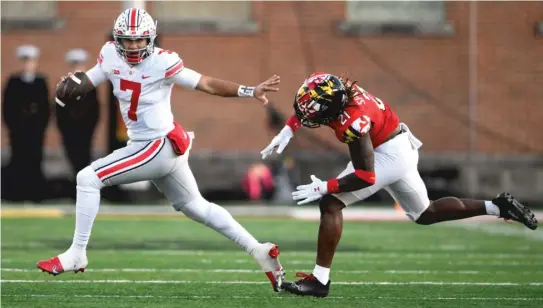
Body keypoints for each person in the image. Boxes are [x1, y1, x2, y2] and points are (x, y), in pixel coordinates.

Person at [37, 8, 285, 292]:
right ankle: (259, 251)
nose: (133, 46)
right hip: (156, 146)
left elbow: (205, 83)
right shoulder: (109, 54)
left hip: (157, 145)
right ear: (118, 39)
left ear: (150, 39)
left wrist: (248, 90)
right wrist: (74, 85)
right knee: (195, 207)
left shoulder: (163, 62)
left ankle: (77, 253)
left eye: (139, 41)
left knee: (88, 178)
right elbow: (91, 78)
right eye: (127, 40)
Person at [260, 72, 538, 297]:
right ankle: (497, 206)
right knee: (424, 213)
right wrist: (288, 128)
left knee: (331, 203)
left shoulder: (354, 124)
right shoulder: (335, 86)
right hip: (397, 144)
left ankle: (320, 281)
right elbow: (314, 102)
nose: (308, 114)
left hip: (387, 155)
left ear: (334, 109)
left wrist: (325, 187)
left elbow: (365, 176)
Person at [2, 45, 50, 202]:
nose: (28, 65)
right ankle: (17, 194)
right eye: (25, 61)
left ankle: (35, 194)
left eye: (31, 61)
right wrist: (13, 126)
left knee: (35, 159)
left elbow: (45, 107)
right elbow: (7, 107)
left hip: (35, 130)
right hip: (18, 129)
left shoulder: (41, 81)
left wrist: (40, 125)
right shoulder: (13, 81)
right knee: (18, 159)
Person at [56, 48, 100, 181]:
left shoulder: (90, 87)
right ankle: (74, 187)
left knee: (84, 158)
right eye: (74, 65)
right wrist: (64, 127)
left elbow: (95, 110)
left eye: (79, 65)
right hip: (69, 130)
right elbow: (59, 109)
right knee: (72, 157)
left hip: (85, 130)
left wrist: (89, 127)